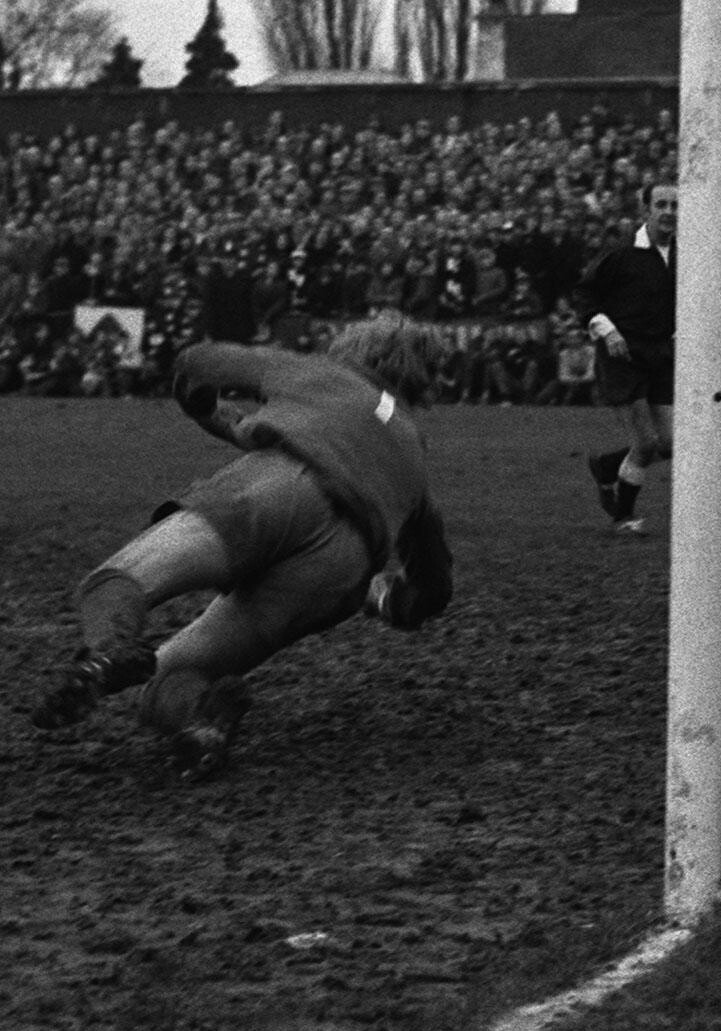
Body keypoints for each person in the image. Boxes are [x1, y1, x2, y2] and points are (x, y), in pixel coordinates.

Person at [26, 312, 456, 778]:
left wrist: (197, 403)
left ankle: (108, 651)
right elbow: (434, 588)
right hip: (341, 569)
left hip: (277, 489)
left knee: (116, 582)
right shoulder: (413, 452)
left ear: (358, 348)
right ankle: (201, 724)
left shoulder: (323, 374)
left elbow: (199, 362)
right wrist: (390, 600)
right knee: (174, 677)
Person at [575, 182, 677, 534]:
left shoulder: (687, 255)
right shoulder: (621, 254)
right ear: (646, 208)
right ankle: (623, 516)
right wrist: (608, 331)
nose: (668, 212)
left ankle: (606, 468)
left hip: (661, 354)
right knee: (646, 442)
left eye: (675, 206)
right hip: (622, 354)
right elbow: (586, 295)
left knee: (670, 444)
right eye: (661, 204)